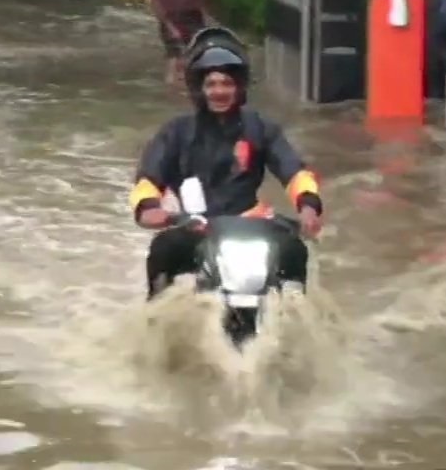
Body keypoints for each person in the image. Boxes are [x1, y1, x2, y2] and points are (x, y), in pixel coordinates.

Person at [127, 27, 324, 299]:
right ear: (199, 88)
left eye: (227, 83)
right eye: (211, 84)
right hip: (197, 227)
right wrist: (152, 211)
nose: (219, 91)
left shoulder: (261, 128)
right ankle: (156, 319)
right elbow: (148, 180)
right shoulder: (176, 132)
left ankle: (296, 317)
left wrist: (308, 209)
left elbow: (294, 172)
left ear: (239, 87)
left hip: (251, 225)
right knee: (164, 249)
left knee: (295, 251)